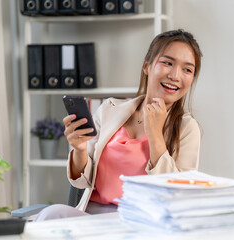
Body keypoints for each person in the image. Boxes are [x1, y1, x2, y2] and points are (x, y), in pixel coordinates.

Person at [35, 29, 203, 221]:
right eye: (167, 63)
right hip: (92, 216)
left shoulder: (187, 128)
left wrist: (155, 135)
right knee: (51, 214)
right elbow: (82, 182)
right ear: (147, 67)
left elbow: (180, 194)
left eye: (187, 70)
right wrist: (80, 149)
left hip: (142, 222)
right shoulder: (109, 110)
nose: (175, 75)